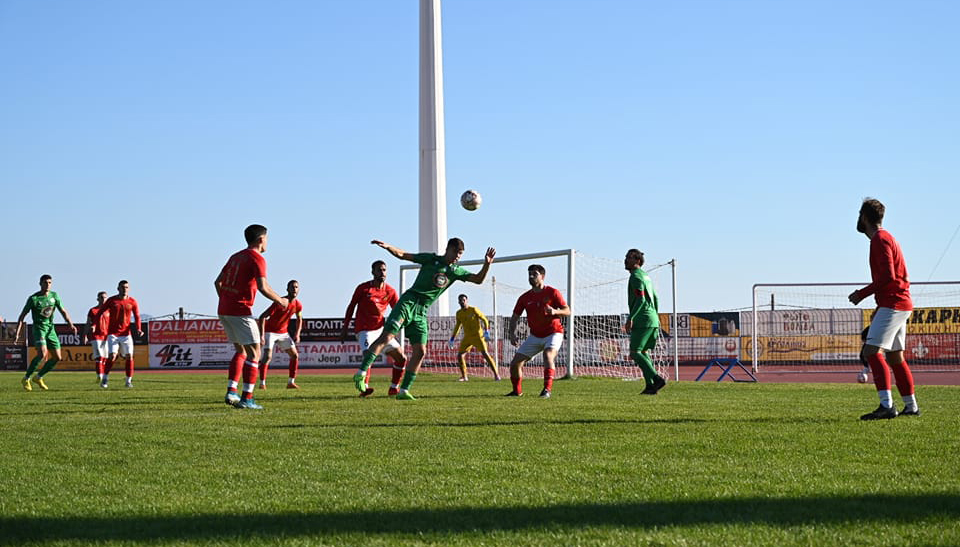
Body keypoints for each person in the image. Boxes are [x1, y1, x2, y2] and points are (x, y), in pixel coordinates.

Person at [351, 238, 495, 400]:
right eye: (455, 252)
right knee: (388, 336)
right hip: (408, 302)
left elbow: (478, 279)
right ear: (448, 249)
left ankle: (403, 391)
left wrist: (487, 265)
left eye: (460, 254)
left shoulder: (455, 271)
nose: (457, 256)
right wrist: (388, 247)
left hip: (421, 311)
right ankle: (361, 372)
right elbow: (403, 255)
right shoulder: (431, 259)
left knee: (420, 351)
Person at [848, 198, 919, 420]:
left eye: (860, 215)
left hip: (894, 302)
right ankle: (911, 406)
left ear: (865, 217)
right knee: (895, 357)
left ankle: (887, 405)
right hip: (899, 302)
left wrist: (861, 294)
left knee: (871, 352)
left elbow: (889, 276)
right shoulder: (887, 238)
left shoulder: (879, 239)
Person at [215, 224, 288, 410]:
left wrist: (226, 299)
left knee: (241, 351)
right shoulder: (257, 259)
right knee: (255, 352)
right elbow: (263, 287)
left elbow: (218, 282)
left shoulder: (235, 256)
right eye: (267, 238)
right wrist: (280, 300)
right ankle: (247, 398)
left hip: (224, 309)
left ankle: (232, 390)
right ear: (261, 239)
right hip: (240, 311)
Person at [341, 260, 408, 396]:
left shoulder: (390, 291)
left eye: (384, 270)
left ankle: (394, 387)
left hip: (381, 330)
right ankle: (364, 387)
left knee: (401, 358)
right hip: (364, 329)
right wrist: (345, 327)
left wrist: (404, 323)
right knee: (368, 355)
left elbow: (397, 310)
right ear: (373, 272)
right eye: (379, 270)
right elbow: (351, 306)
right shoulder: (364, 288)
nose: (382, 272)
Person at [504, 264, 570, 398]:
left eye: (534, 274)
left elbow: (567, 311)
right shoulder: (525, 297)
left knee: (548, 355)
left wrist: (555, 311)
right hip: (535, 335)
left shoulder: (552, 292)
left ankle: (547, 390)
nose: (531, 276)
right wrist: (511, 333)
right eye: (529, 274)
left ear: (542, 276)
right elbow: (515, 317)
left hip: (554, 332)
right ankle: (517, 392)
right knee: (515, 363)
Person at [14, 274, 77, 391]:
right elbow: (22, 316)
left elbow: (63, 311)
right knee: (42, 354)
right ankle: (26, 378)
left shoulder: (54, 296)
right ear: (40, 283)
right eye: (45, 283)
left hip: (50, 329)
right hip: (39, 329)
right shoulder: (33, 299)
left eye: (49, 283)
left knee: (57, 357)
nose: (48, 285)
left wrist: (70, 324)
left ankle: (38, 377)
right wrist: (18, 332)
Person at [623, 249, 667, 395]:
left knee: (635, 352)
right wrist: (655, 315)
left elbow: (641, 299)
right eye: (626, 257)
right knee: (643, 352)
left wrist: (631, 318)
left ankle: (656, 378)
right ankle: (650, 386)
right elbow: (655, 298)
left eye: (629, 258)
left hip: (643, 319)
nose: (625, 260)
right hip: (652, 318)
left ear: (638, 261)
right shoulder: (646, 276)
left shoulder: (635, 277)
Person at [95, 280, 143, 389]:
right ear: (118, 288)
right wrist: (95, 324)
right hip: (113, 334)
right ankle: (105, 378)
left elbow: (137, 316)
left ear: (128, 289)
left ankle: (128, 381)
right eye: (122, 287)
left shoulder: (132, 301)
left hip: (126, 334)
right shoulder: (112, 300)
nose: (124, 289)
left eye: (126, 287)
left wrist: (139, 328)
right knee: (112, 356)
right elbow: (100, 312)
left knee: (129, 356)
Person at [258, 280, 303, 390]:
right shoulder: (280, 302)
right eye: (292, 287)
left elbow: (299, 319)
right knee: (267, 357)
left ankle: (290, 383)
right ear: (287, 289)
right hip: (270, 332)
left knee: (295, 355)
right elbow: (262, 316)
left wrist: (297, 334)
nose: (294, 289)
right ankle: (262, 383)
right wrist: (262, 335)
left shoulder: (298, 305)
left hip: (283, 333)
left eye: (296, 287)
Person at [449, 294, 500, 382]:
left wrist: (486, 331)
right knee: (460, 355)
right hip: (467, 337)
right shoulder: (459, 313)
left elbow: (484, 319)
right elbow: (458, 326)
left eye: (464, 300)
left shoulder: (473, 310)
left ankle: (496, 375)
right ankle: (464, 377)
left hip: (478, 336)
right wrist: (452, 338)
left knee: (485, 354)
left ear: (467, 300)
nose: (462, 302)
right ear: (458, 302)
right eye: (460, 300)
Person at [82, 291, 110, 384]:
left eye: (105, 297)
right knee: (99, 357)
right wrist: (85, 335)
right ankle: (100, 377)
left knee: (105, 358)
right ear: (97, 299)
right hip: (96, 336)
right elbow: (87, 324)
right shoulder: (93, 310)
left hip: (106, 336)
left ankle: (102, 375)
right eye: (101, 297)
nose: (103, 299)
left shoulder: (109, 310)